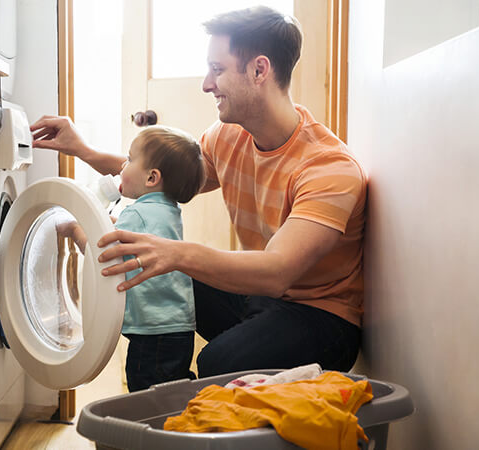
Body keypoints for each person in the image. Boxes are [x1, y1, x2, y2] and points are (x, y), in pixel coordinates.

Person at [31, 6, 366, 378]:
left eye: (217, 70)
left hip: (323, 318)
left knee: (215, 362)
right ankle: (163, 379)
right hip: (261, 301)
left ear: (259, 70)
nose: (207, 84)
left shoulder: (328, 168)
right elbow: (162, 177)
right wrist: (84, 150)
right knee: (161, 276)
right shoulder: (230, 136)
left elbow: (277, 272)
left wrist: (175, 252)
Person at [73, 125, 205, 392]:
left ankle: (153, 432)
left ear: (151, 178)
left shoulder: (137, 215)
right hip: (177, 326)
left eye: (130, 160)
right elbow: (126, 234)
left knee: (146, 394)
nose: (122, 166)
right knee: (171, 389)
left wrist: (75, 227)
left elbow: (105, 251)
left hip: (152, 334)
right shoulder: (167, 211)